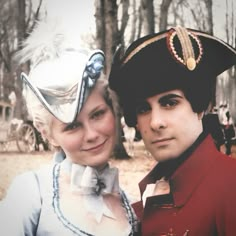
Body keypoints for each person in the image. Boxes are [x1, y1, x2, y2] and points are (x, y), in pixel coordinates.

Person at [0, 20, 138, 236]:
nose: (92, 134)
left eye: (98, 114)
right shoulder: (31, 194)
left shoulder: (131, 204)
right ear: (48, 135)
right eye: (72, 126)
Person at [108, 26, 236, 235]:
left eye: (170, 103)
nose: (155, 122)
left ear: (200, 107)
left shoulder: (231, 188)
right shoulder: (137, 209)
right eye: (143, 109)